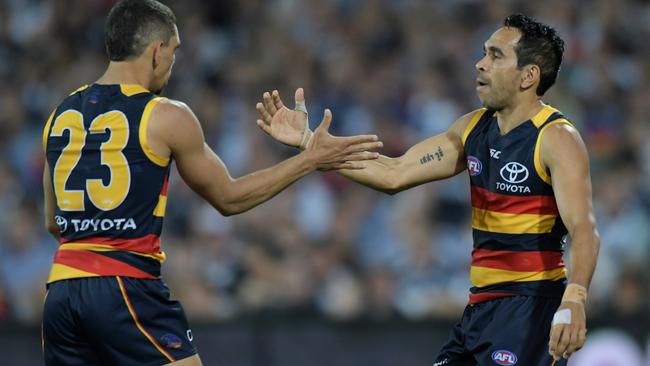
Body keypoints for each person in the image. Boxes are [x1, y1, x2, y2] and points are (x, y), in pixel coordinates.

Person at [41, 1, 382, 365]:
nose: (172, 66)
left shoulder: (61, 113)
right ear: (157, 51)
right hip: (125, 285)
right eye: (173, 52)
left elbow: (53, 221)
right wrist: (311, 160)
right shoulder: (166, 114)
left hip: (61, 292)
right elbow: (229, 198)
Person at [256, 14, 600, 366]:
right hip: (480, 308)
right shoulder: (472, 128)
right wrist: (309, 143)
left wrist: (575, 296)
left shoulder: (557, 138)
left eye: (496, 56)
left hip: (531, 308)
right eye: (484, 53)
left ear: (528, 76)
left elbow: (584, 228)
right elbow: (394, 172)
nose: (480, 64)